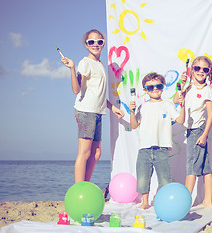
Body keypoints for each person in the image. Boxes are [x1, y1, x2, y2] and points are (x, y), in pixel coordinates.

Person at [61, 29, 125, 183]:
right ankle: (79, 190)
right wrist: (72, 68)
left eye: (99, 41)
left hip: (97, 112)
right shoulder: (85, 63)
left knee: (96, 153)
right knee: (84, 152)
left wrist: (112, 107)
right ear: (86, 44)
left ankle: (85, 186)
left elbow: (98, 93)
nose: (95, 44)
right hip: (86, 111)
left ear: (103, 44)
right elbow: (76, 90)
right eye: (91, 42)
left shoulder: (99, 63)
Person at [130, 72, 185, 209]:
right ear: (145, 90)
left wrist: (183, 106)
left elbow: (181, 120)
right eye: (150, 87)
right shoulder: (143, 107)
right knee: (143, 177)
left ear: (163, 87)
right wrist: (132, 111)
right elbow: (134, 125)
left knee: (165, 179)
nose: (155, 89)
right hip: (144, 148)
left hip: (162, 148)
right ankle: (145, 202)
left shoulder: (168, 105)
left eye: (158, 86)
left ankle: (164, 201)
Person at [173, 56, 212, 207]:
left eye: (205, 69)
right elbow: (176, 100)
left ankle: (185, 202)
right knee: (205, 167)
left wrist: (204, 135)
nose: (201, 71)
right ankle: (208, 201)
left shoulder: (207, 90)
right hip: (192, 129)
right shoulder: (188, 87)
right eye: (197, 68)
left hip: (198, 130)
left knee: (191, 167)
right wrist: (182, 84)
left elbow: (211, 115)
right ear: (191, 70)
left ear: (209, 72)